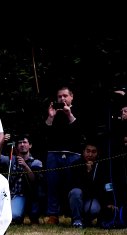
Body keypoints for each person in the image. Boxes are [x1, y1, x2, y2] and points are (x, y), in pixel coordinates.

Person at [43, 86, 85, 225]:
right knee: (52, 185)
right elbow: (43, 134)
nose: (62, 99)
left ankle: (75, 216)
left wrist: (69, 114)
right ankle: (53, 215)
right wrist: (50, 117)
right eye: (59, 96)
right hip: (54, 154)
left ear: (71, 97)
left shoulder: (78, 110)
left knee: (73, 186)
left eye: (65, 96)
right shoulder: (52, 112)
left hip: (73, 154)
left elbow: (80, 132)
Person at [0, 134, 43, 225]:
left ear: (30, 145)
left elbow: (34, 181)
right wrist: (1, 143)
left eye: (24, 142)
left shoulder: (36, 162)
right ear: (16, 146)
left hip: (30, 196)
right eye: (19, 143)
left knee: (17, 215)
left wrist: (25, 166)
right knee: (13, 216)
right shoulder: (11, 160)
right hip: (14, 195)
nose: (22, 145)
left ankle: (33, 215)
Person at [68, 140, 112, 228]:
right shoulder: (75, 165)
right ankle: (77, 220)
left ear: (97, 153)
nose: (90, 155)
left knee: (94, 209)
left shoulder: (102, 166)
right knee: (75, 192)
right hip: (77, 198)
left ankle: (87, 220)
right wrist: (87, 173)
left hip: (92, 199)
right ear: (83, 152)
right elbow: (74, 186)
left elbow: (105, 186)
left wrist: (109, 202)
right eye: (88, 151)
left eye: (93, 152)